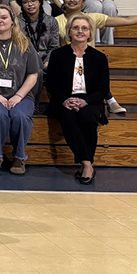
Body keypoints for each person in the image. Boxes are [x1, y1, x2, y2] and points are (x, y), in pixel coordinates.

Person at [0, 5, 39, 175]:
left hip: (21, 94)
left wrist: (18, 95)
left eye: (3, 17)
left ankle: (19, 157)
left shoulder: (25, 44)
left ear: (12, 21)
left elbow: (33, 74)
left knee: (20, 116)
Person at [46, 14, 110, 185]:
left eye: (84, 28)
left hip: (90, 100)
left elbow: (103, 90)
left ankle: (85, 164)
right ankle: (88, 164)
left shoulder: (99, 57)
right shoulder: (58, 55)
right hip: (63, 99)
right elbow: (51, 84)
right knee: (68, 117)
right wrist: (66, 100)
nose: (80, 31)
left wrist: (85, 101)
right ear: (69, 31)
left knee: (87, 117)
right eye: (76, 28)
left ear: (90, 33)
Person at [17, 0, 60, 96]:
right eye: (25, 2)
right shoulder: (16, 22)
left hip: (45, 59)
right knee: (37, 72)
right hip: (23, 60)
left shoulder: (51, 21)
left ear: (39, 2)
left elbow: (54, 46)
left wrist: (47, 61)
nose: (30, 5)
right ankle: (33, 105)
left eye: (33, 1)